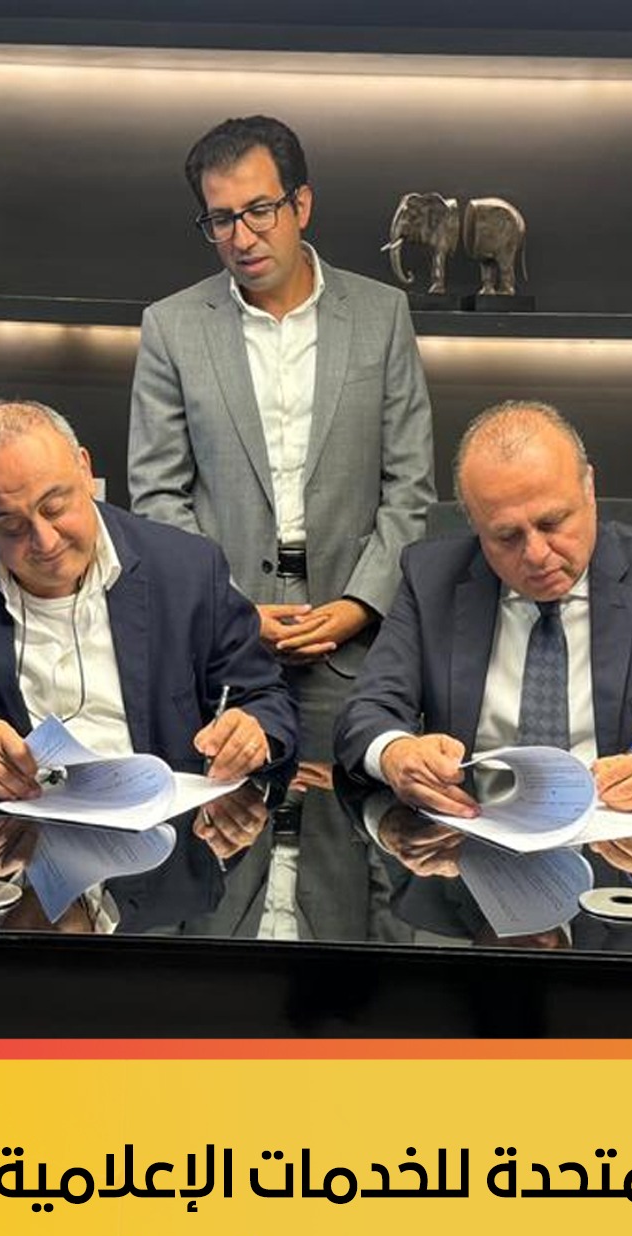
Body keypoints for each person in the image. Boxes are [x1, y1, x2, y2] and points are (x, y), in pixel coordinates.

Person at [334, 401, 632, 813]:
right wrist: (395, 753)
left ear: (589, 489)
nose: (536, 554)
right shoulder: (432, 577)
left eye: (552, 522)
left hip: (623, 859)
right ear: (475, 525)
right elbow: (366, 714)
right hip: (471, 846)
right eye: (506, 536)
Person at [129, 115, 436, 758]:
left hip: (351, 640)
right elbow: (157, 496)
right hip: (220, 641)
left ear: (302, 204)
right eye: (221, 219)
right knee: (223, 812)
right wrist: (231, 609)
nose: (242, 237)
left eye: (260, 210)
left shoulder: (381, 315)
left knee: (349, 808)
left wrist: (360, 604)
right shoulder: (171, 327)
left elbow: (410, 485)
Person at [0, 401, 297, 797]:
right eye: (10, 526)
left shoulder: (186, 566)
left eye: (55, 507)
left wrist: (252, 729)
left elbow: (263, 697)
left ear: (85, 470)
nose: (45, 541)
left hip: (162, 843)